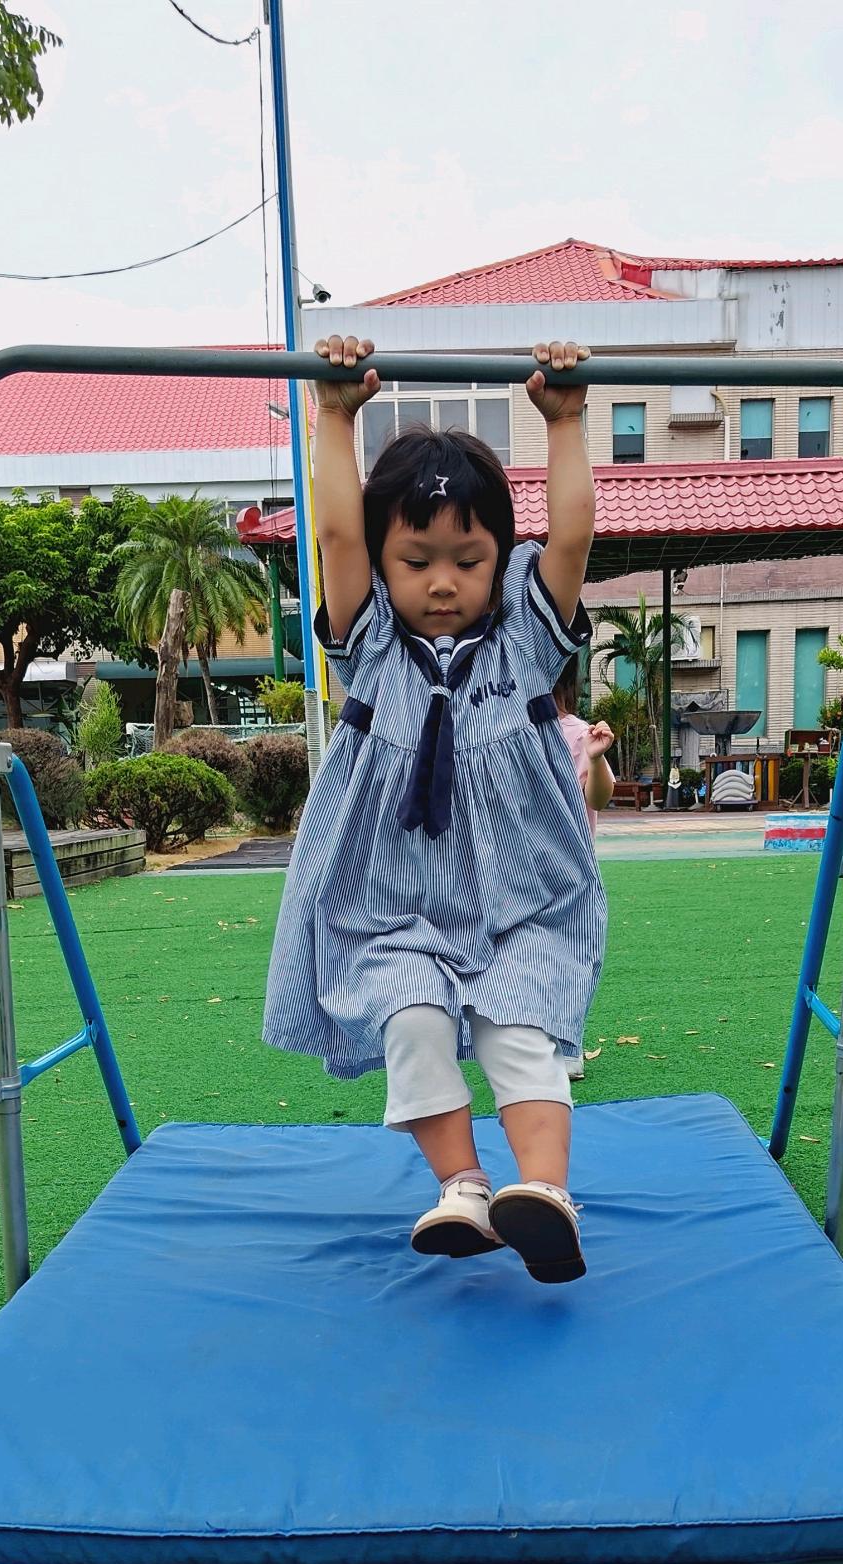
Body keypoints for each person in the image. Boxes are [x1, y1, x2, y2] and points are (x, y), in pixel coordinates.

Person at [263, 335, 607, 1285]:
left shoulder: (524, 640)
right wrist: (335, 415)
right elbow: (336, 535)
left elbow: (572, 538)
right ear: (385, 563)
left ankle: (543, 1195)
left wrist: (567, 422)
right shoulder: (370, 641)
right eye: (416, 560)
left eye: (468, 559)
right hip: (391, 900)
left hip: (522, 896)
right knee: (412, 1022)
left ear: (500, 560)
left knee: (519, 1030)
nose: (444, 581)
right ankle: (463, 1186)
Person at [552, 657, 615, 1078]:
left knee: (574, 953)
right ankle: (528, 1040)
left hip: (571, 869)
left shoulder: (577, 733)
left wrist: (594, 758)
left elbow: (599, 798)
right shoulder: (501, 733)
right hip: (514, 866)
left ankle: (565, 1041)